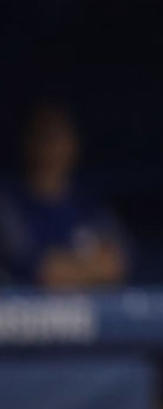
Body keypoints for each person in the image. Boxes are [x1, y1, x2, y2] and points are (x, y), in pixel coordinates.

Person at [0, 103, 127, 288]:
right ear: (28, 143)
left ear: (73, 144)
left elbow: (116, 264)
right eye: (44, 137)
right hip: (26, 313)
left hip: (92, 311)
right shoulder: (8, 204)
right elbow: (41, 269)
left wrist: (71, 270)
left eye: (59, 137)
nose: (53, 147)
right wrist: (88, 269)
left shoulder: (89, 204)